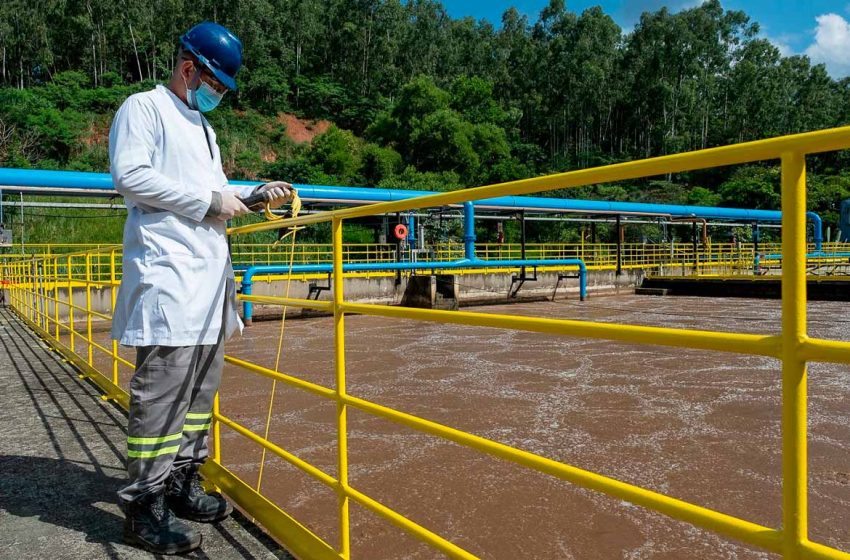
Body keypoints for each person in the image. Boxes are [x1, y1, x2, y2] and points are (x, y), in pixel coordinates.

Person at [108, 22, 291, 554]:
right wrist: (210, 203)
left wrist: (251, 195)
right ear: (190, 68)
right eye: (216, 85)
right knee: (160, 401)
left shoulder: (202, 128)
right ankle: (143, 505)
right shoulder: (144, 109)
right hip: (169, 279)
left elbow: (212, 191)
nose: (218, 97)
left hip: (210, 287)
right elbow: (131, 176)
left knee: (197, 400)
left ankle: (184, 481)